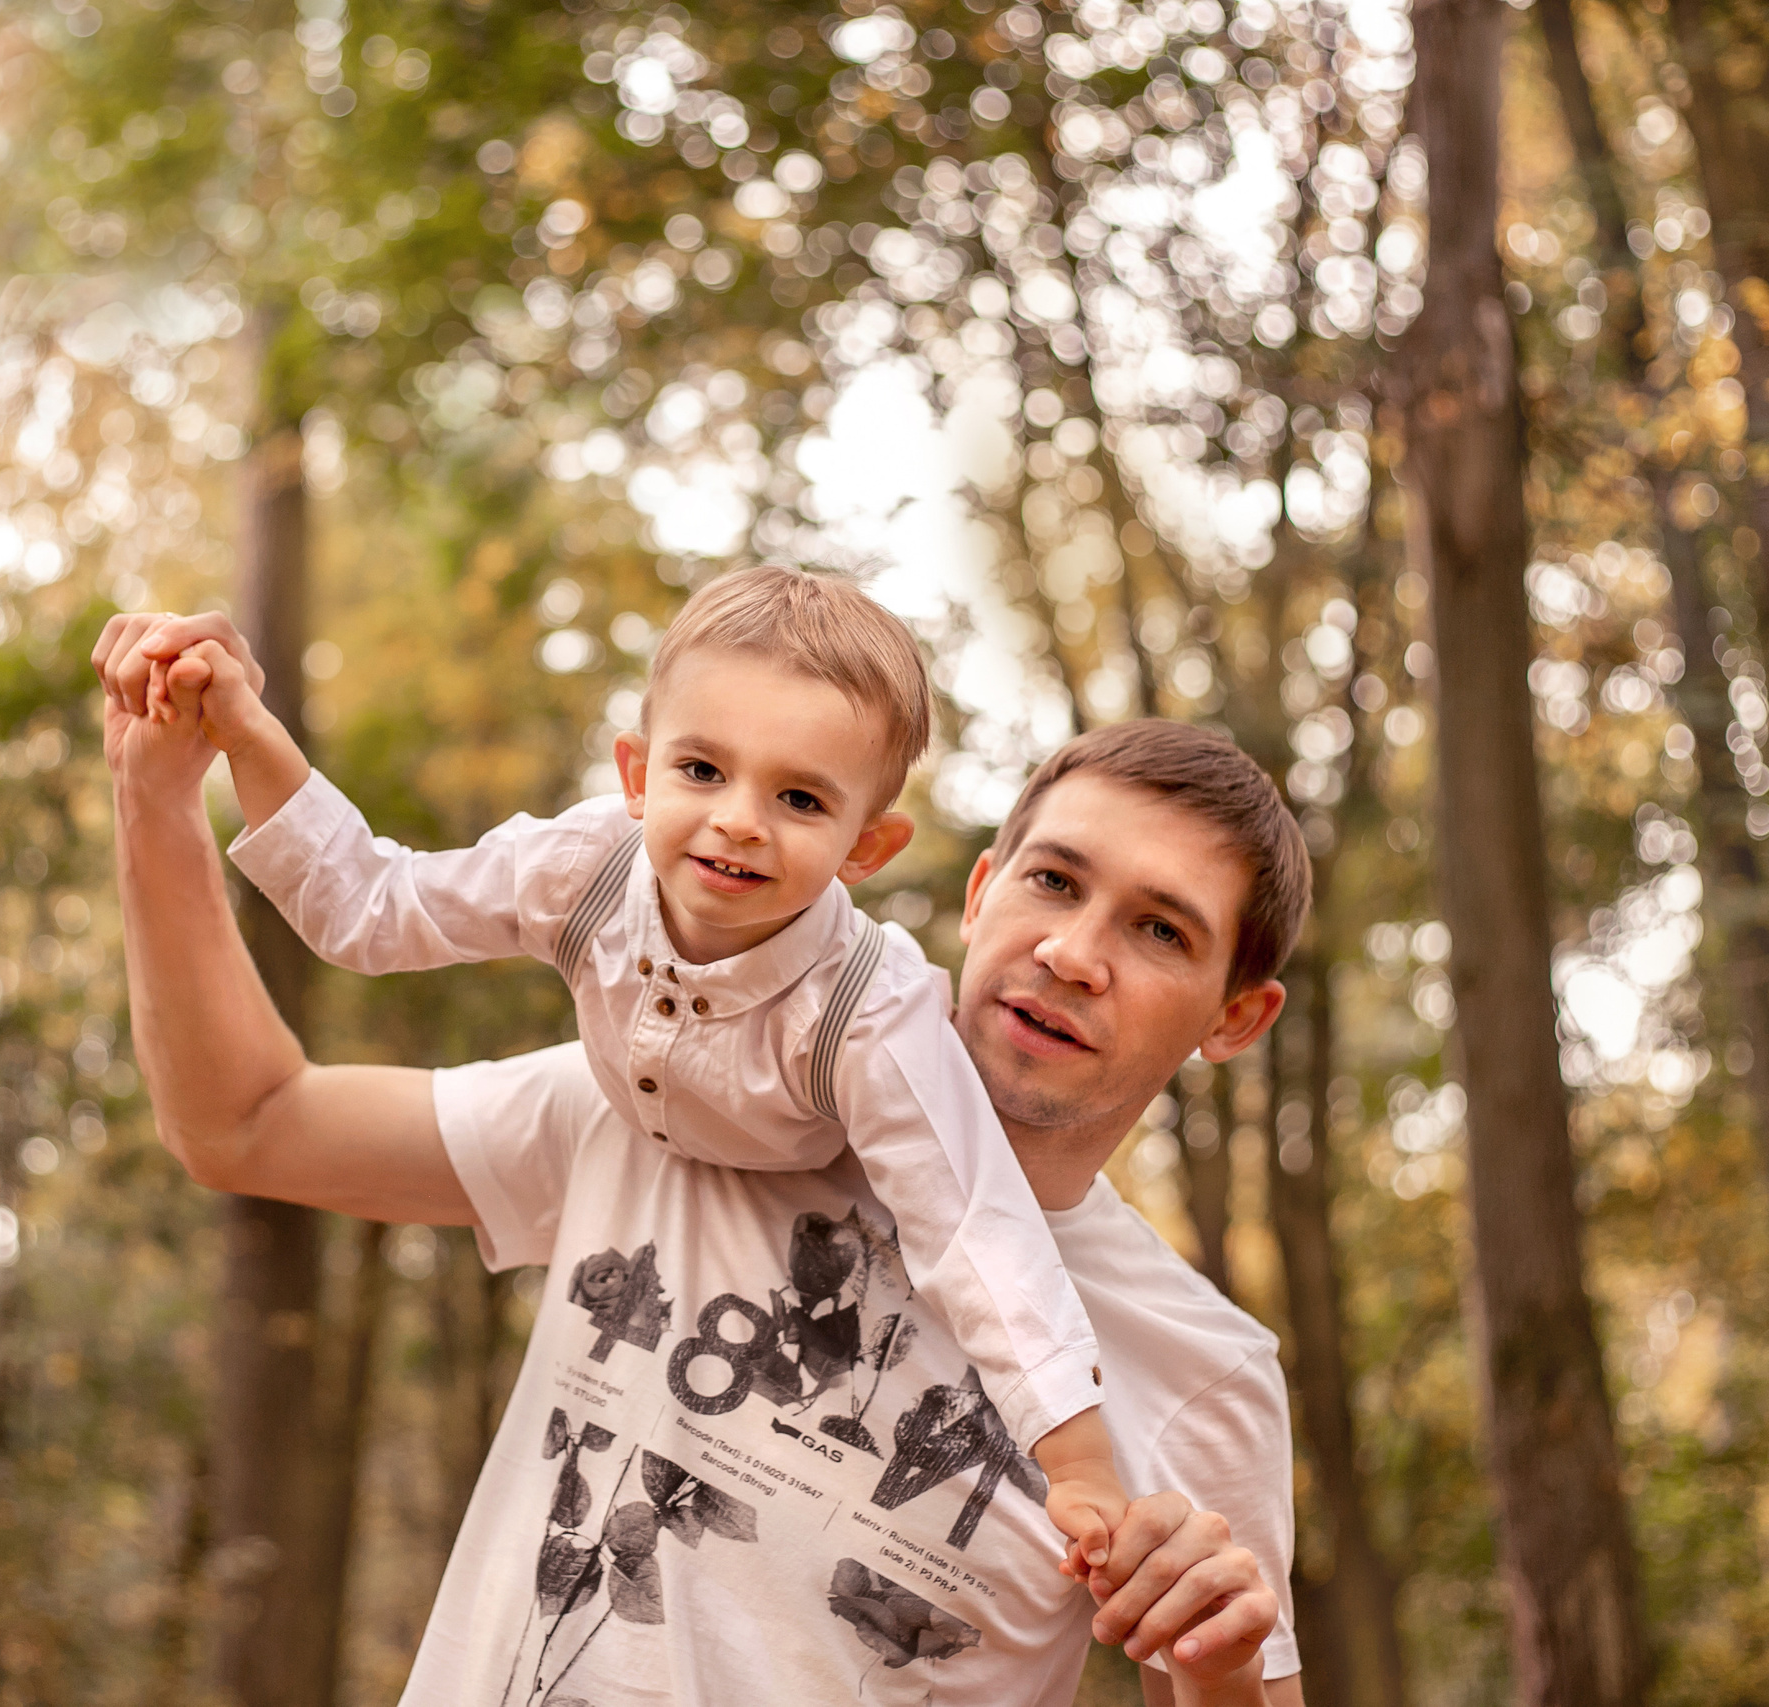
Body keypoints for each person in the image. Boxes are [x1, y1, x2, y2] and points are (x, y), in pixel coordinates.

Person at [94, 610, 1307, 1706]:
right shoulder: (680, 1109)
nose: (1074, 954)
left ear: (1232, 1018)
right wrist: (156, 798)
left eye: (1158, 930)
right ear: (982, 891)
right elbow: (242, 1122)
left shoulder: (1202, 1375)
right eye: (1053, 882)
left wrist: (1217, 1672)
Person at [137, 567, 1128, 1569]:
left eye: (797, 796)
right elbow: (372, 907)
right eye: (702, 771)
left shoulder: (867, 1014)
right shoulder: (585, 868)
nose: (740, 819)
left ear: (864, 846)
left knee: (938, 1186)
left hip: (799, 1139)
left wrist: (1078, 1461)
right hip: (623, 1102)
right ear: (636, 774)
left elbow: (972, 1225)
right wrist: (244, 735)